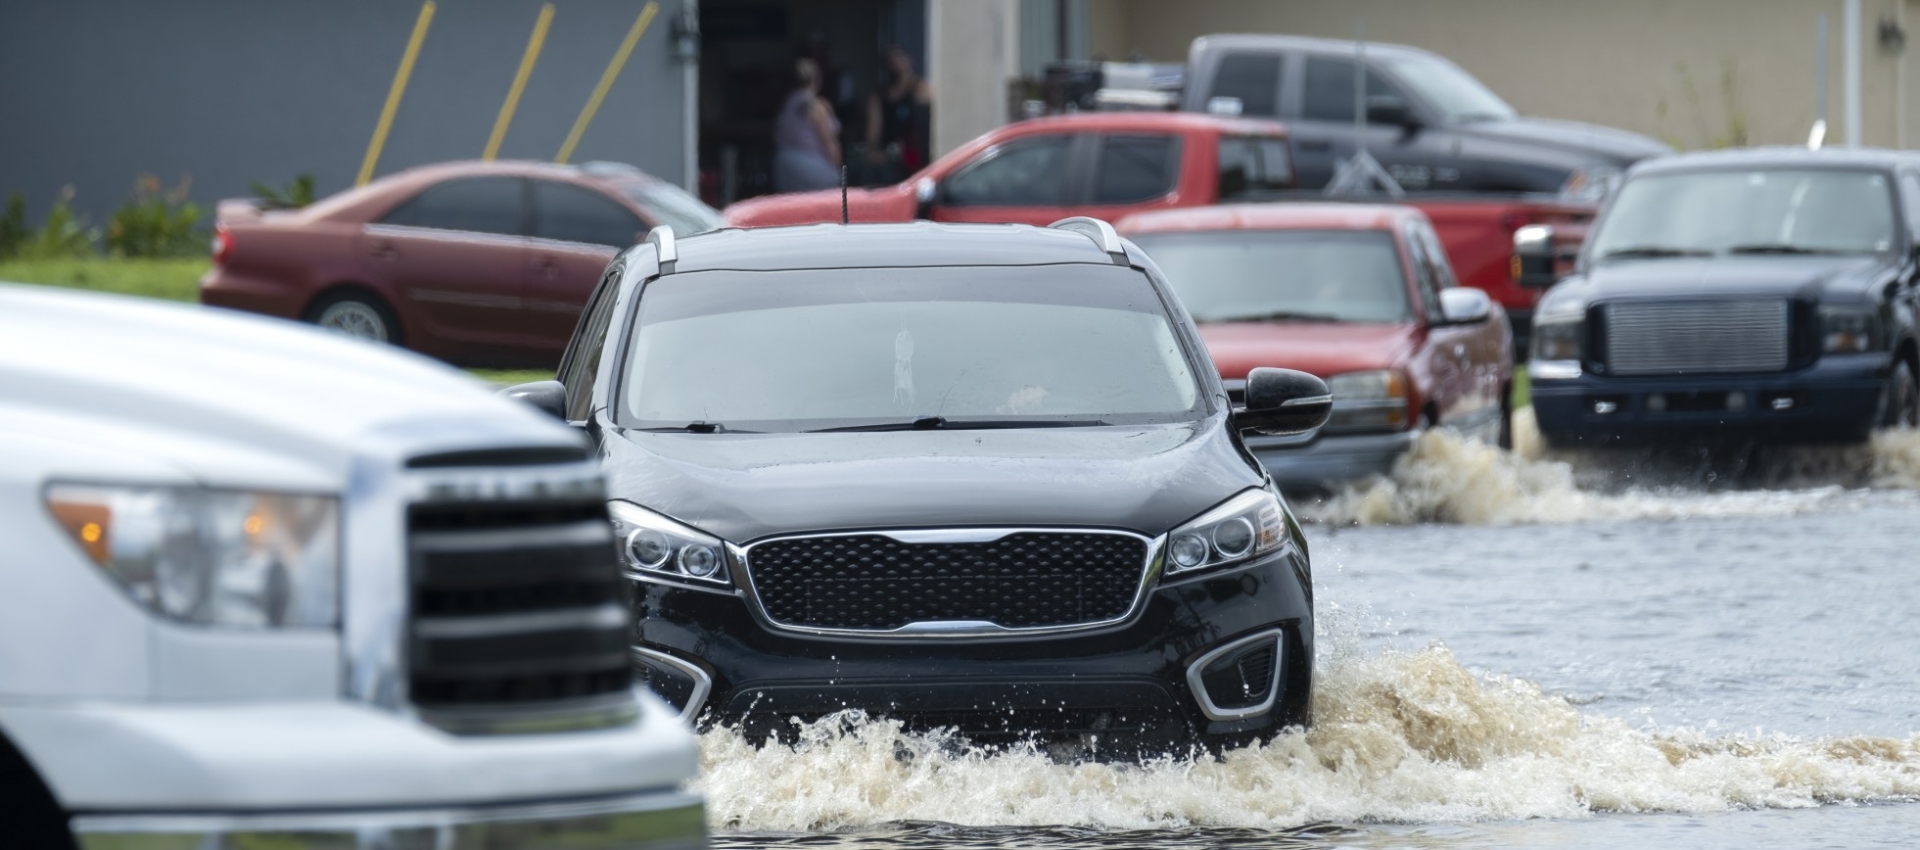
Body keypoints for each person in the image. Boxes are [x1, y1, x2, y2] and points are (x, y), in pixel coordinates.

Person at [865, 45, 932, 182]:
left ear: (909, 60)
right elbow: (873, 129)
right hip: (888, 158)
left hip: (914, 156)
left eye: (899, 57)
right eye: (891, 58)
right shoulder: (879, 95)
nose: (895, 62)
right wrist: (873, 151)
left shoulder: (920, 89)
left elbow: (925, 125)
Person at [774, 58, 842, 193]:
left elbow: (775, 135)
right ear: (817, 80)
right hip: (811, 167)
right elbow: (829, 142)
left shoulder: (785, 105)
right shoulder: (817, 106)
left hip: (782, 165)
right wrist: (838, 172)